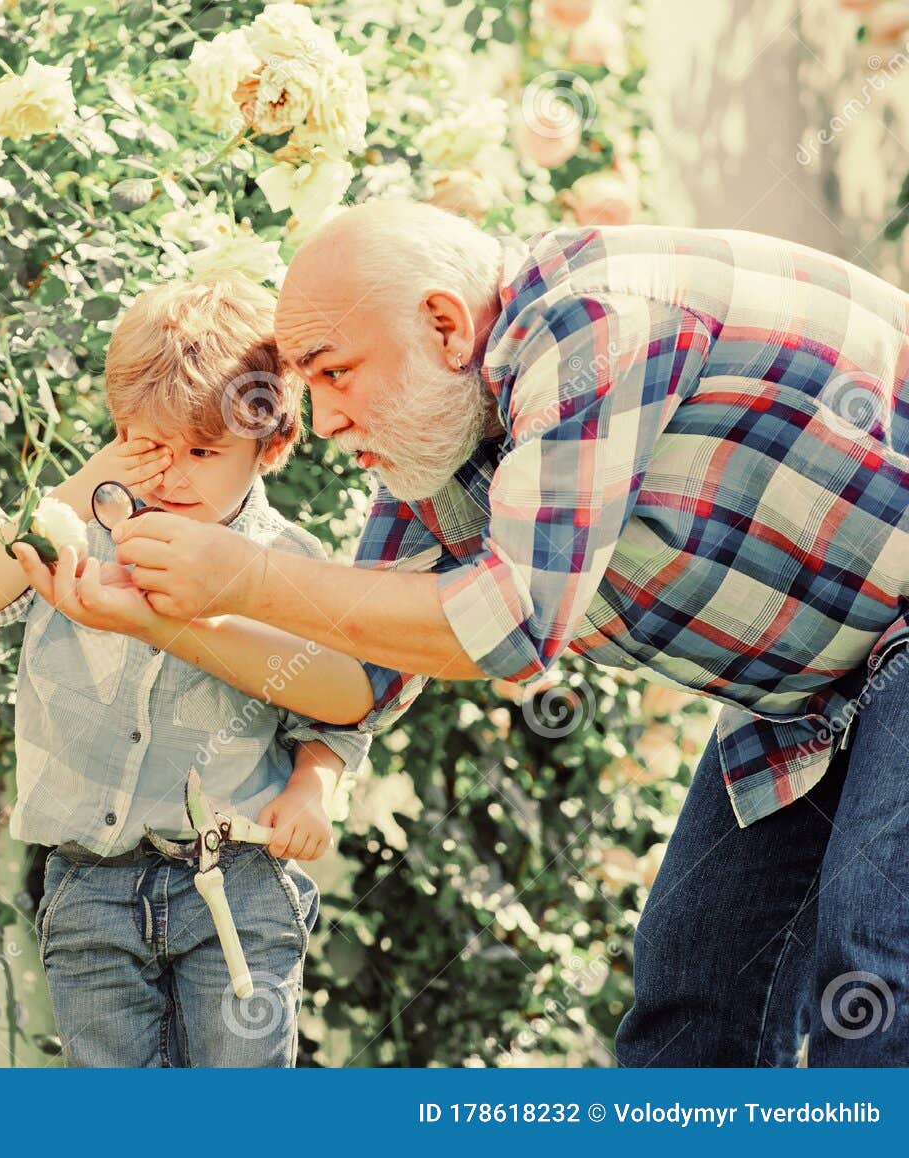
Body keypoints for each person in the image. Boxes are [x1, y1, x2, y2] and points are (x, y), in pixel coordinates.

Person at [68, 200, 909, 1066]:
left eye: (335, 373)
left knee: (879, 976)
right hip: (812, 689)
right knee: (697, 989)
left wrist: (244, 576)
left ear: (443, 324)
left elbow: (511, 627)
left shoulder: (593, 323)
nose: (323, 422)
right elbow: (362, 675)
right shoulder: (441, 445)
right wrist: (159, 618)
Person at [0, 277, 374, 1066]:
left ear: (269, 445)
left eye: (205, 453)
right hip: (90, 888)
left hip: (234, 880)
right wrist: (74, 495)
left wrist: (313, 786)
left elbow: (343, 707)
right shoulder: (76, 540)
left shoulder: (290, 566)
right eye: (149, 446)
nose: (173, 475)